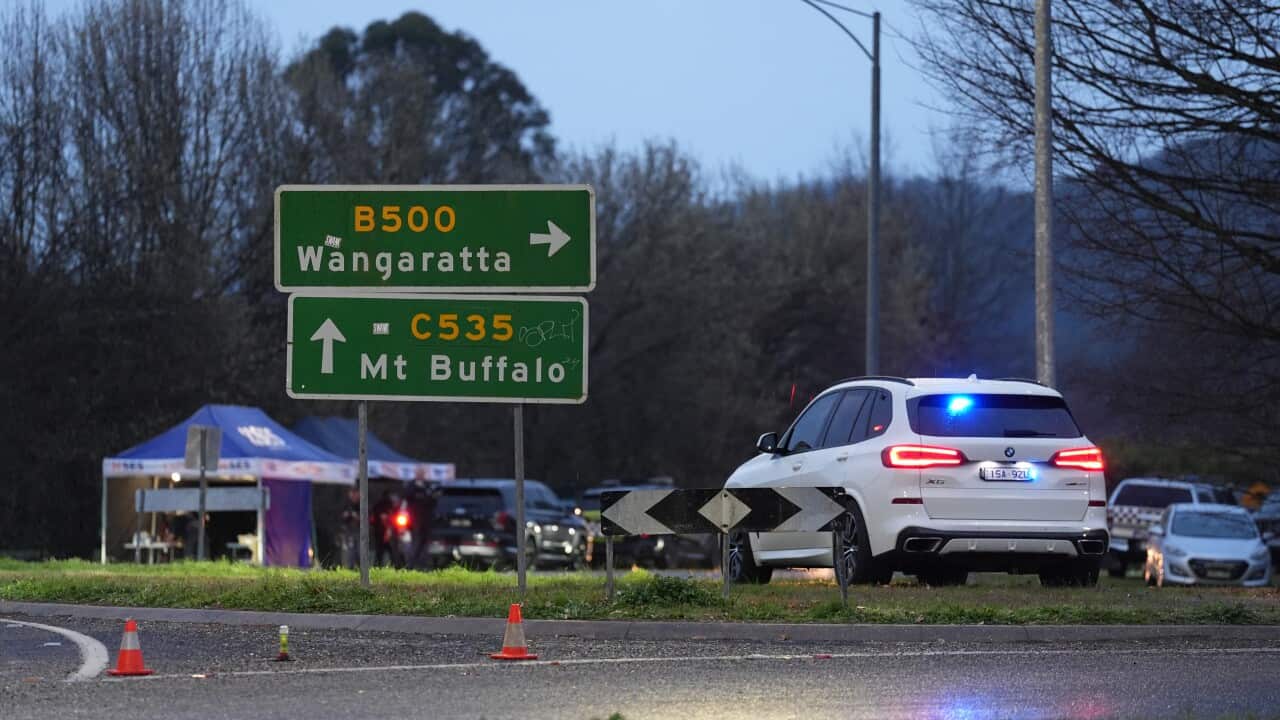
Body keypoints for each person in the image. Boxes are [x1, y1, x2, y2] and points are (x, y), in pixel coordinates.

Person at [405, 479, 438, 570]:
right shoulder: (412, 490)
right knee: (416, 543)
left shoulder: (428, 490)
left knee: (424, 544)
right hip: (415, 522)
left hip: (426, 523)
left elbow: (433, 502)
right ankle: (411, 564)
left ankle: (421, 564)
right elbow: (408, 496)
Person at [337, 488, 360, 569]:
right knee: (347, 555)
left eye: (356, 493)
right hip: (347, 534)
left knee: (360, 554)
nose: (354, 496)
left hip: (359, 534)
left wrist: (356, 516)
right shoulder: (345, 504)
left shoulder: (361, 505)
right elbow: (340, 518)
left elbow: (367, 519)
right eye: (352, 493)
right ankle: (348, 569)